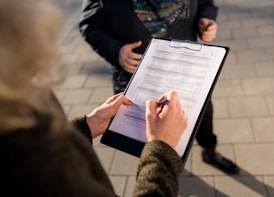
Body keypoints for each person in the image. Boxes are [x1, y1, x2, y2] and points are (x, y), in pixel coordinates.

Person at [0, 0, 188, 196]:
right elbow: (89, 24)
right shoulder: (28, 160)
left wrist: (86, 125)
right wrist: (161, 150)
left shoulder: (16, 110)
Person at [79, 0, 239, 174]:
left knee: (203, 116)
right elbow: (89, 24)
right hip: (138, 77)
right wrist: (116, 51)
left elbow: (205, 3)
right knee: (144, 132)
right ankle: (160, 168)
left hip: (187, 70)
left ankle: (210, 152)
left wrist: (206, 19)